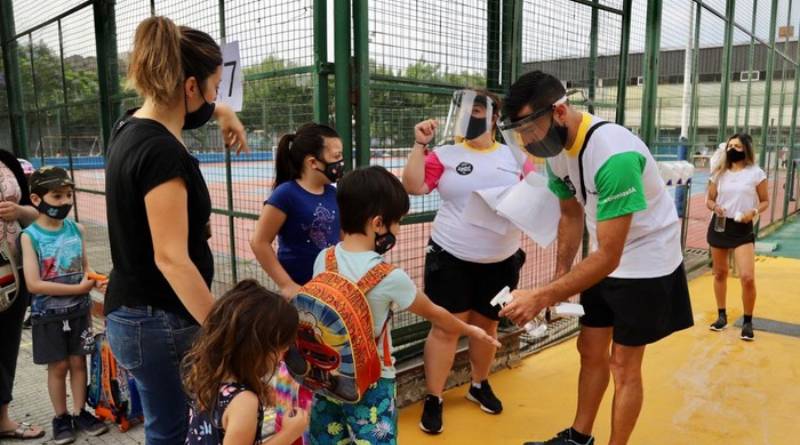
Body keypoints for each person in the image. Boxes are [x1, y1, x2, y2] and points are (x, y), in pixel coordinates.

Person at [497, 71, 694, 445]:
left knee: (623, 363)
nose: (526, 140)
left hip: (647, 260)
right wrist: (560, 279)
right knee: (589, 348)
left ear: (558, 111)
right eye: (518, 132)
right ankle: (579, 437)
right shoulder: (556, 152)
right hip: (606, 253)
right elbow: (571, 216)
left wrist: (543, 295)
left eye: (530, 127)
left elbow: (609, 256)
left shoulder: (613, 155)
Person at [104, 16, 248, 444]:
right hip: (159, 319)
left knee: (166, 423)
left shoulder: (129, 125)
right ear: (189, 87)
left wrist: (224, 112)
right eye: (214, 87)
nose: (215, 97)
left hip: (132, 312)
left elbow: (189, 109)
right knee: (173, 431)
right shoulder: (162, 153)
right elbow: (171, 258)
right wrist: (223, 332)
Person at [308, 166, 500, 445]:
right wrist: (472, 330)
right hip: (371, 384)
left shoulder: (323, 259)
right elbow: (436, 313)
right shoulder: (389, 277)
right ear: (377, 224)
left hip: (326, 376)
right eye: (396, 222)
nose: (397, 229)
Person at [402, 89, 531, 434]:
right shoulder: (443, 155)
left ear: (492, 117)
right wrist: (419, 145)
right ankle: (434, 397)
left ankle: (478, 384)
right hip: (451, 257)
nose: (470, 117)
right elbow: (413, 186)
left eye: (477, 110)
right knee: (445, 327)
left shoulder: (515, 156)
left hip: (501, 261)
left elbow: (538, 191)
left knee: (487, 326)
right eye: (463, 110)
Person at [20, 166, 108, 444]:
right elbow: (34, 284)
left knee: (78, 362)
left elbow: (85, 267)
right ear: (36, 200)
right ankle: (61, 417)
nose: (65, 202)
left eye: (69, 195)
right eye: (57, 196)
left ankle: (80, 411)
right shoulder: (30, 236)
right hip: (48, 314)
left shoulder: (77, 229)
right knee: (58, 366)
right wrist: (77, 287)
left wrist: (95, 280)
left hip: (79, 311)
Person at [183, 279, 308, 445]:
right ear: (257, 350)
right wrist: (289, 434)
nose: (286, 352)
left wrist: (260, 389)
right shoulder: (244, 402)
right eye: (283, 346)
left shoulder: (209, 373)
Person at [250, 123, 343, 299]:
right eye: (336, 156)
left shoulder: (334, 193)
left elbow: (342, 237)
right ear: (313, 162)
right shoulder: (286, 194)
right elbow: (259, 242)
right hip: (301, 293)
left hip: (331, 289)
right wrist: (287, 285)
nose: (341, 162)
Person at [705, 133, 768, 341]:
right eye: (730, 145)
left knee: (747, 277)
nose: (733, 149)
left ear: (747, 149)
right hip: (721, 226)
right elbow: (709, 199)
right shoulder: (719, 173)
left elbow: (764, 201)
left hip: (743, 228)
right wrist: (716, 207)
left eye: (738, 146)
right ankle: (721, 316)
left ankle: (748, 322)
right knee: (720, 273)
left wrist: (754, 212)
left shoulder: (756, 173)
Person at [0, 151, 44, 441]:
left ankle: (2, 419)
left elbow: (34, 213)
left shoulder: (7, 160)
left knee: (5, 343)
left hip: (10, 273)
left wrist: (18, 213)